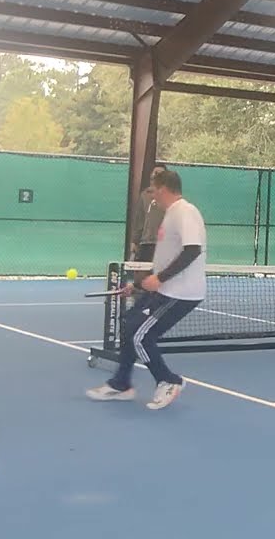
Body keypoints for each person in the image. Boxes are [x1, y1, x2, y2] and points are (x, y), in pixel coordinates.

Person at [88, 169, 207, 410]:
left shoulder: (186, 211)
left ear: (163, 189)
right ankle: (121, 383)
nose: (152, 197)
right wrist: (138, 285)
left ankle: (169, 381)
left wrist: (160, 279)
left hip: (181, 292)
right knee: (129, 324)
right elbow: (166, 259)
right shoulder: (170, 214)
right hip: (164, 288)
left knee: (141, 336)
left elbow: (192, 250)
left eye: (153, 191)